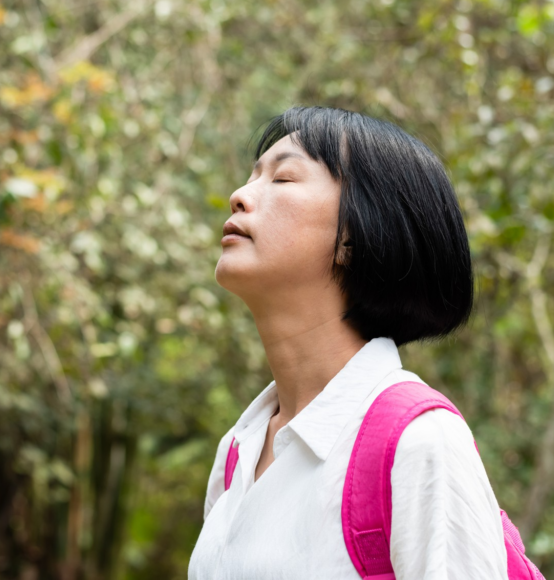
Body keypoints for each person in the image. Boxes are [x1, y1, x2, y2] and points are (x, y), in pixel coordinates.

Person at [188, 107, 508, 579]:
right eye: (252, 176)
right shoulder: (238, 451)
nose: (239, 195)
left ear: (354, 237)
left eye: (283, 178)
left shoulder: (419, 442)